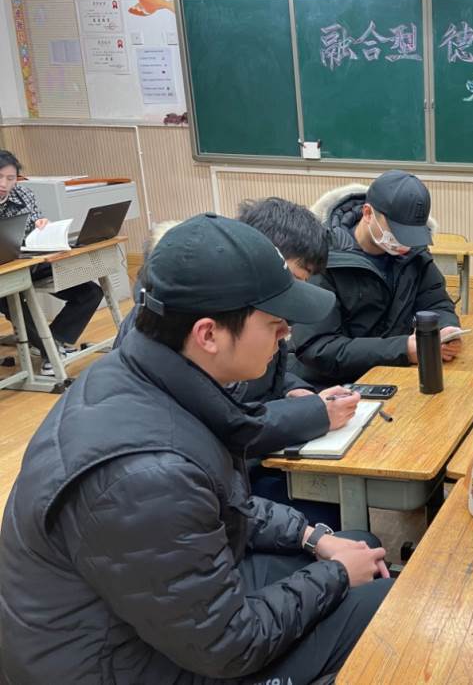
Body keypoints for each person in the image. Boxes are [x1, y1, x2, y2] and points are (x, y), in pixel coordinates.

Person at [0, 214, 392, 684]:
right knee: (381, 604)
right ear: (208, 334)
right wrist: (335, 576)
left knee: (361, 547)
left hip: (151, 622)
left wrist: (311, 537)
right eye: (274, 323)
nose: (286, 333)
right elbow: (228, 646)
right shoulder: (146, 475)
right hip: (119, 664)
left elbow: (222, 501)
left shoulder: (144, 373)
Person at [115, 200, 360, 525]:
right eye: (292, 279)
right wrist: (314, 414)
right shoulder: (192, 328)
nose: (286, 324)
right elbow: (227, 424)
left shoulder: (243, 316)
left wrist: (295, 392)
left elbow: (263, 375)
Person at [291, 170, 463, 387]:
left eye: (411, 235)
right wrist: (403, 349)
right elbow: (318, 347)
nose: (405, 243)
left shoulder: (415, 255)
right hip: (331, 386)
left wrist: (445, 330)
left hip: (394, 375)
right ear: (368, 213)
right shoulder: (322, 260)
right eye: (397, 232)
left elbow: (436, 303)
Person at [0, 149, 103, 376]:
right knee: (13, 302)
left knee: (91, 293)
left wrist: (42, 226)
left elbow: (37, 223)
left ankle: (53, 342)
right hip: (4, 275)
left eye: (10, 178)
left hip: (33, 262)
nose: (4, 184)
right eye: (0, 177)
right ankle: (51, 353)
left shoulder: (23, 194)